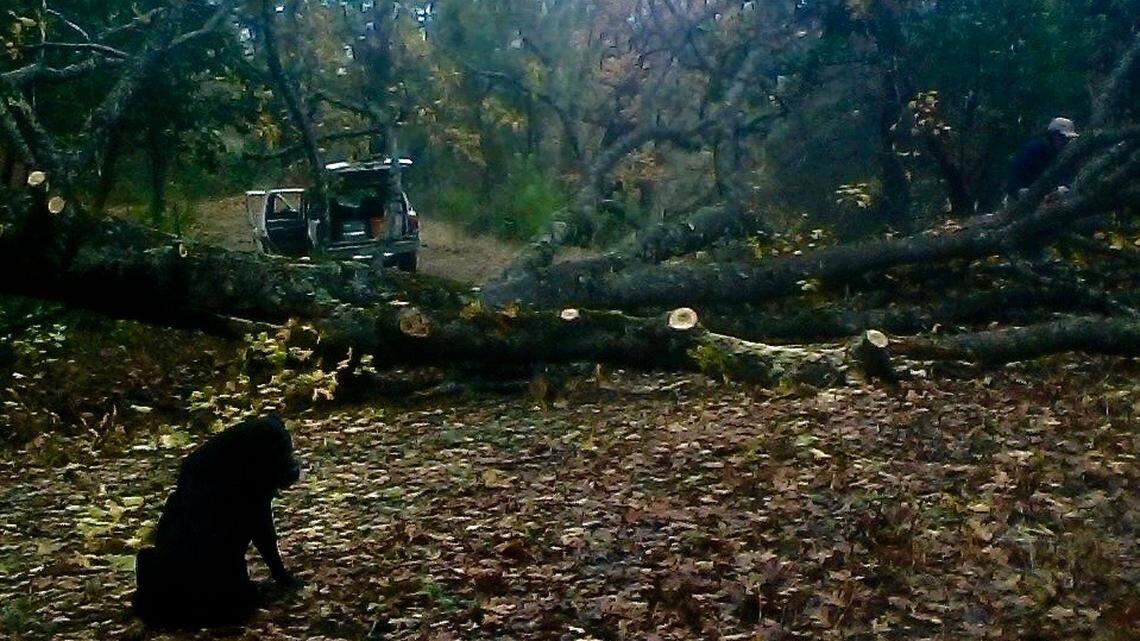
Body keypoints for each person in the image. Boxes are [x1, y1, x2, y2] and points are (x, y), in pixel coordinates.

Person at [1007, 117, 1080, 198]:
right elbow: (1016, 170)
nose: (1065, 142)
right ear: (1053, 135)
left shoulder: (1059, 153)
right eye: (1063, 138)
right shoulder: (1035, 148)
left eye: (1068, 139)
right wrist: (1018, 190)